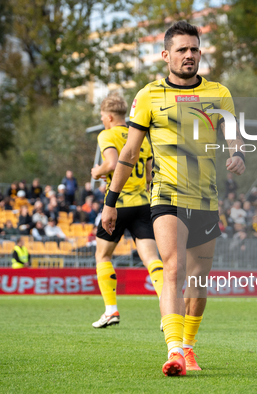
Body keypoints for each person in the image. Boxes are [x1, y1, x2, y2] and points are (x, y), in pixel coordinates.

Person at [100, 21, 245, 376]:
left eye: (194, 49)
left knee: (198, 278)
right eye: (182, 50)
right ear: (166, 55)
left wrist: (238, 154)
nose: (189, 55)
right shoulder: (148, 95)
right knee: (173, 268)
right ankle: (175, 350)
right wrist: (110, 200)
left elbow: (234, 136)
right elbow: (130, 153)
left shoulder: (219, 93)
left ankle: (190, 348)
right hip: (165, 195)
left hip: (206, 199)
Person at [89, 93, 164, 329]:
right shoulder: (140, 136)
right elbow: (151, 173)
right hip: (143, 203)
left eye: (102, 117)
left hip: (118, 204)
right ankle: (168, 309)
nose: (102, 121)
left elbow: (111, 164)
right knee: (152, 258)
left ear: (109, 117)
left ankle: (111, 310)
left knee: (103, 256)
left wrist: (97, 171)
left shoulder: (107, 134)